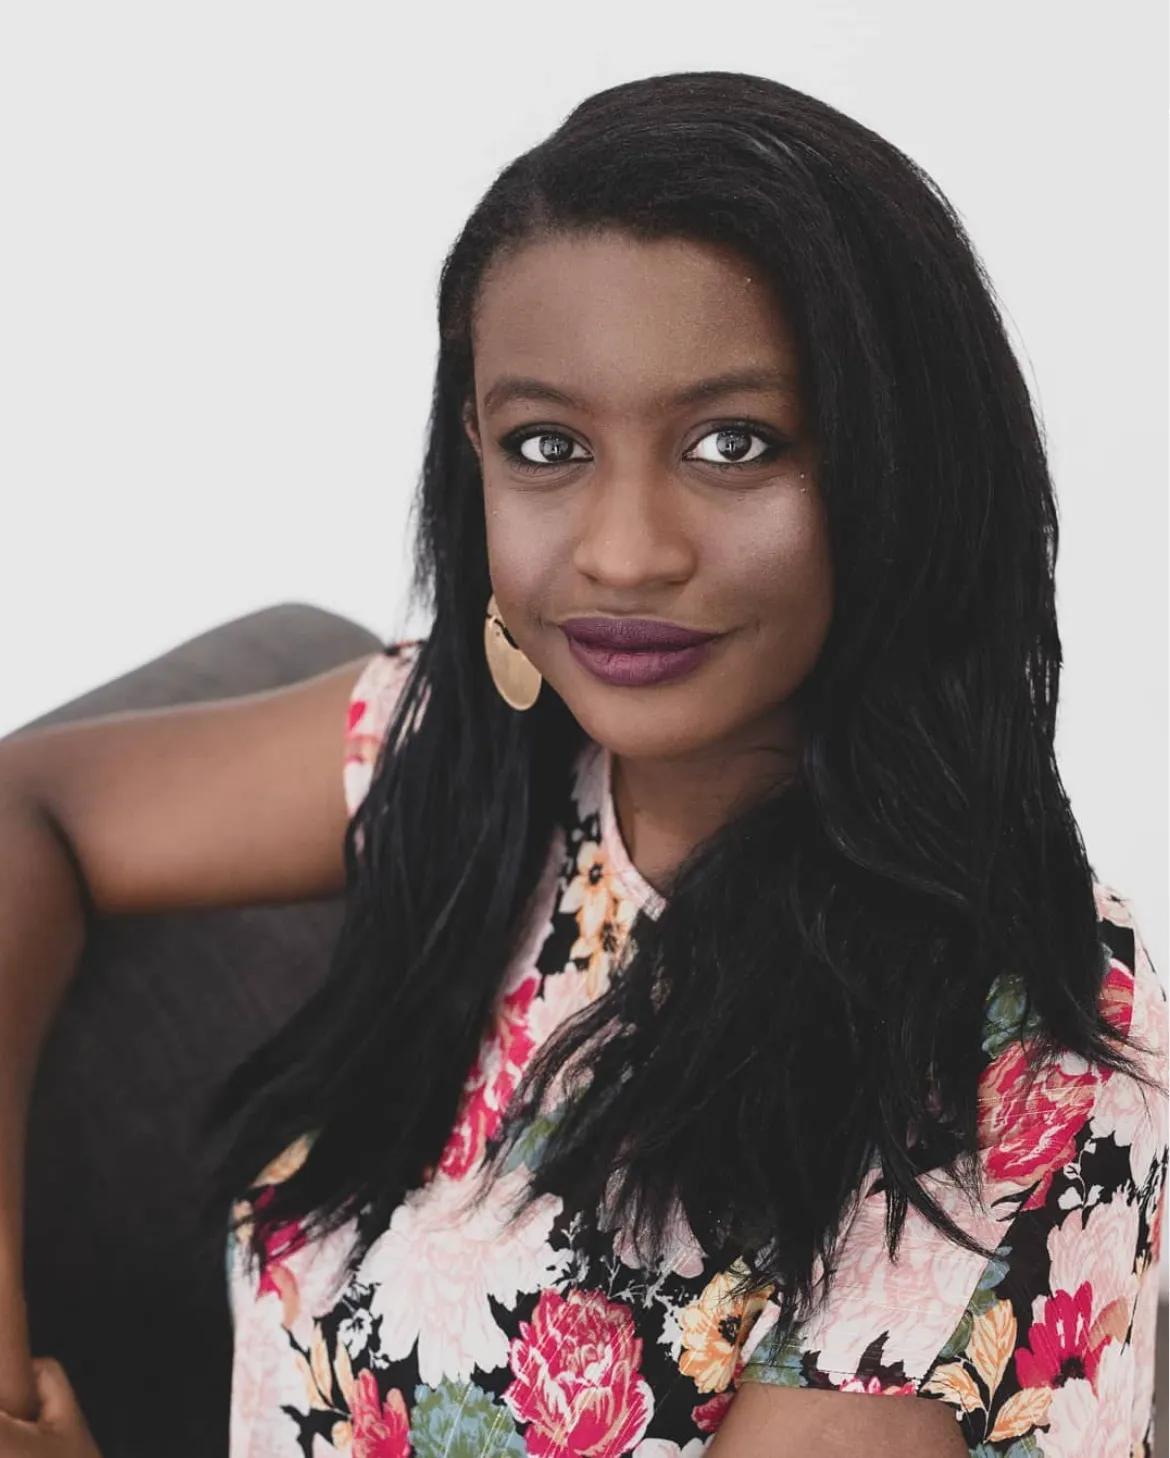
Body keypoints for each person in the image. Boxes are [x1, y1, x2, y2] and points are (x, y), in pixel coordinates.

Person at [0, 68, 1164, 1458]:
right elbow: (31, 810)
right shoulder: (474, 751)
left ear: (900, 469)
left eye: (733, 444)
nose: (621, 552)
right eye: (546, 445)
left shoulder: (1014, 1066)